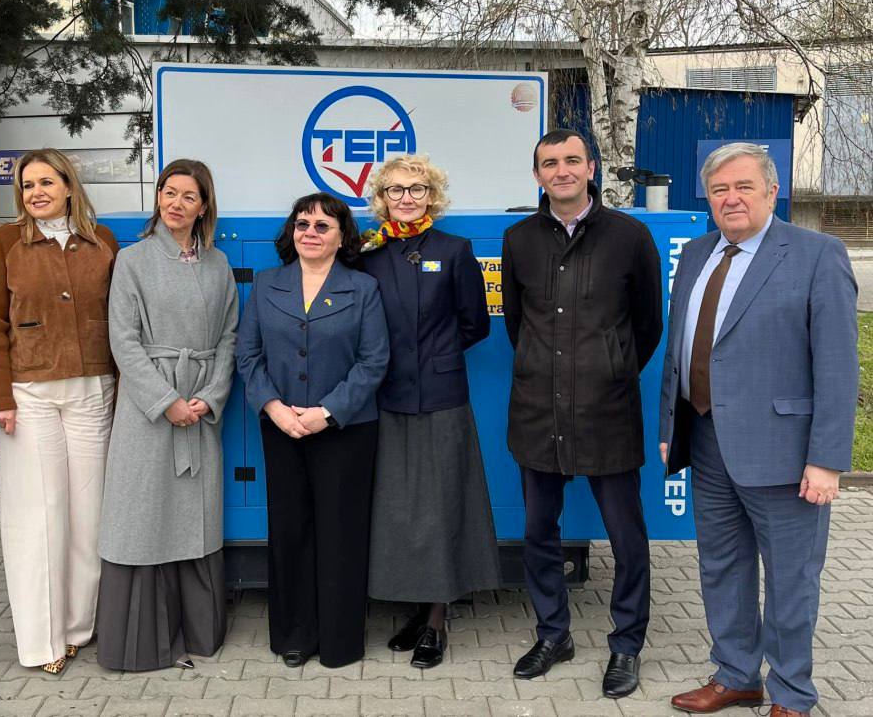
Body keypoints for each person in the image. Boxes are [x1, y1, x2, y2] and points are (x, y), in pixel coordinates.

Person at [661, 143, 857, 717]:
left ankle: (792, 693)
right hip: (706, 441)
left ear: (773, 191)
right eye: (719, 190)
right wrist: (672, 424)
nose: (731, 199)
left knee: (791, 579)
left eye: (744, 186)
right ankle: (736, 675)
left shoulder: (817, 254)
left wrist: (826, 459)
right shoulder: (696, 254)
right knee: (721, 567)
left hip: (785, 453)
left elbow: (838, 366)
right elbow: (680, 350)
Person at [500, 129, 662, 698]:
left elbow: (648, 324)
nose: (562, 170)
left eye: (572, 160)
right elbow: (517, 323)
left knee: (627, 537)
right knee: (538, 532)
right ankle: (553, 634)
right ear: (537, 175)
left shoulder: (629, 235)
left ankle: (627, 645)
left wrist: (611, 368)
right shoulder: (519, 238)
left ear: (592, 168)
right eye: (550, 163)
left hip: (606, 411)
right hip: (537, 412)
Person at [0, 148, 119, 674]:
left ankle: (79, 627)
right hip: (29, 393)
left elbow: (120, 315)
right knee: (38, 515)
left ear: (68, 185)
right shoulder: (6, 241)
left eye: (45, 182)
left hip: (94, 389)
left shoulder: (101, 241)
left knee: (89, 514)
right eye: (27, 185)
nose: (35, 192)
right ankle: (43, 640)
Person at [236, 192, 389, 669]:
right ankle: (294, 635)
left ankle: (341, 641)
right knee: (290, 530)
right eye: (303, 224)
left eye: (323, 226)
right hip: (282, 428)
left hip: (345, 429)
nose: (311, 233)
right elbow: (248, 355)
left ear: (342, 237)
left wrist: (327, 411)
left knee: (342, 533)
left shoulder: (363, 288)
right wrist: (275, 408)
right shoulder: (267, 284)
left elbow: (374, 361)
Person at [96, 160, 238, 671]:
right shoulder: (132, 260)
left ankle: (197, 633)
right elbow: (123, 340)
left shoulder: (218, 264)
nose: (176, 203)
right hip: (148, 409)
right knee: (142, 512)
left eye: (188, 196)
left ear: (204, 206)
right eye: (168, 192)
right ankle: (143, 643)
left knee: (194, 515)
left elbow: (229, 337)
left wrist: (210, 396)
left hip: (199, 405)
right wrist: (165, 401)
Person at [360, 154, 499, 669]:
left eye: (417, 189)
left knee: (441, 507)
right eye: (396, 190)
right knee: (399, 508)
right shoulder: (368, 253)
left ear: (432, 197)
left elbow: (476, 324)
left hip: (442, 397)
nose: (407, 198)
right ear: (382, 198)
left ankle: (437, 622)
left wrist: (433, 357)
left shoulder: (453, 250)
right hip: (386, 396)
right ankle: (417, 610)